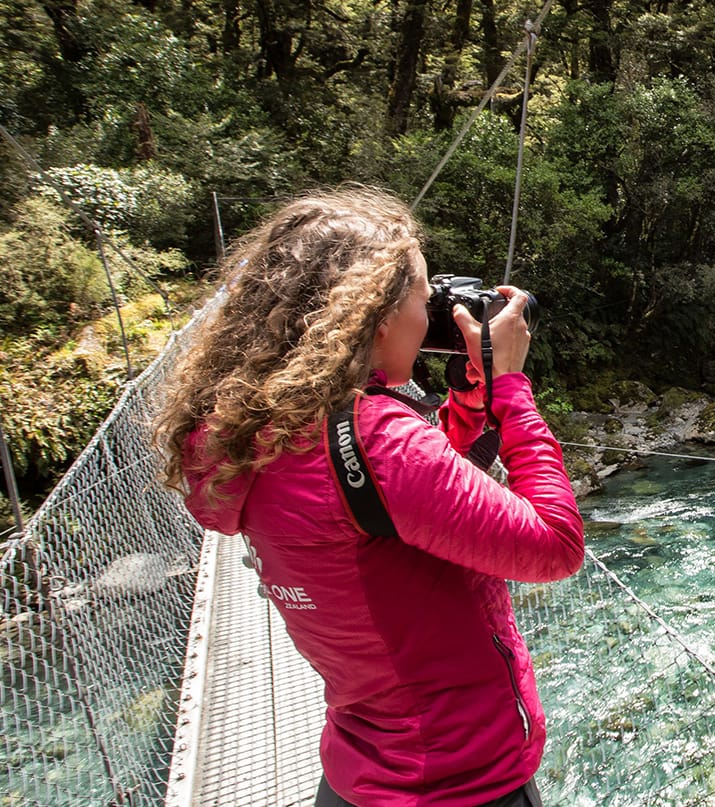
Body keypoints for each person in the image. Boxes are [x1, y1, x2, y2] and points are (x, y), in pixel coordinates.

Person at [154, 185, 584, 807]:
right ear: (379, 317)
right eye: (423, 295)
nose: (431, 311)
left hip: (363, 767)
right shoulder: (375, 440)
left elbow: (406, 502)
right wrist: (511, 388)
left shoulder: (250, 430)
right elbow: (555, 547)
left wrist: (467, 399)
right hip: (460, 781)